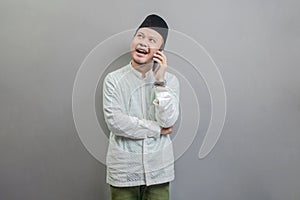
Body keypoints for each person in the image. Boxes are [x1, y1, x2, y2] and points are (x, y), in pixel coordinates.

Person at [103, 14, 180, 200]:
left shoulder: (171, 81)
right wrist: (157, 129)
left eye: (152, 40)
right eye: (140, 36)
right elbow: (116, 122)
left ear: (160, 51)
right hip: (124, 171)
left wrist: (160, 83)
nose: (143, 42)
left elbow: (168, 120)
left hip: (159, 171)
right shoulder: (113, 80)